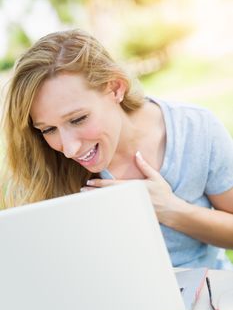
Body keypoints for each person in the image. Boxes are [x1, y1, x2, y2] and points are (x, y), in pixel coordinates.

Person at [1, 29, 233, 269]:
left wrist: (170, 210)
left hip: (205, 293)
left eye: (78, 119)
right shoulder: (49, 163)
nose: (69, 149)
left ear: (115, 88)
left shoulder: (195, 129)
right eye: (48, 129)